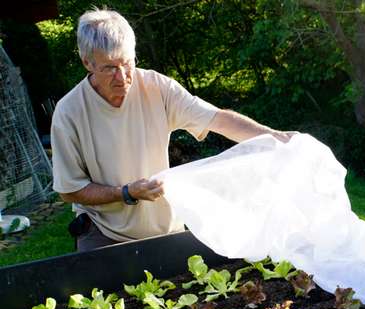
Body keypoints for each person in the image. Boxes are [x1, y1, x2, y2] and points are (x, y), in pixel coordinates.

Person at [51, 8, 296, 252]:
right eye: (109, 67)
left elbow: (217, 119)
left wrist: (273, 137)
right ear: (87, 63)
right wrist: (126, 193)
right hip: (104, 233)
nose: (123, 76)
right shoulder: (69, 112)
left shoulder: (157, 87)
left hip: (164, 228)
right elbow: (70, 190)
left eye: (127, 62)